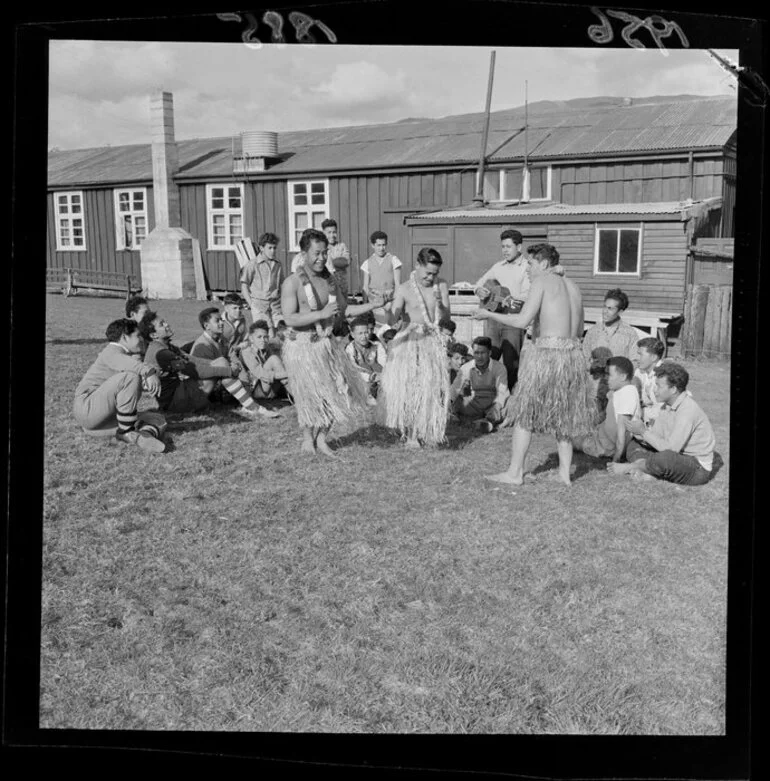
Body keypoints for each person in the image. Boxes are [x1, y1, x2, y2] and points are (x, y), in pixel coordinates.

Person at [474, 243, 593, 486]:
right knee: (565, 417)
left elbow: (521, 321)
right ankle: (564, 475)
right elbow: (579, 329)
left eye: (531, 263)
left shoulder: (542, 281)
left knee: (524, 414)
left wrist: (489, 314)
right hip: (572, 356)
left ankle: (515, 473)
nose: (527, 268)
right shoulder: (573, 287)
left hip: (547, 356)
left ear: (544, 264)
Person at [280, 228, 381, 456]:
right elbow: (289, 318)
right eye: (317, 252)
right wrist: (321, 313)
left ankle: (323, 438)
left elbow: (345, 310)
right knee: (309, 396)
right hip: (303, 347)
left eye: (325, 252)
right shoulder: (292, 283)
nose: (322, 257)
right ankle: (308, 440)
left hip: (327, 344)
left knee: (337, 391)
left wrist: (373, 305)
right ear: (304, 253)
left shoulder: (331, 281)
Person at [379, 247, 452, 448]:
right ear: (417, 265)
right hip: (410, 342)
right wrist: (387, 308)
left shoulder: (442, 285)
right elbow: (393, 319)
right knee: (411, 388)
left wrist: (441, 305)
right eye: (427, 272)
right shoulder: (403, 288)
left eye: (434, 273)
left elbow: (446, 318)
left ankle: (428, 430)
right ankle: (411, 434)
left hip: (432, 341)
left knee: (430, 388)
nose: (431, 277)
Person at [608, 363, 715, 485]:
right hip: (674, 456)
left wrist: (643, 432)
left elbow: (671, 450)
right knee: (634, 445)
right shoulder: (666, 406)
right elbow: (657, 437)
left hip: (696, 468)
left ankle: (631, 467)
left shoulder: (687, 410)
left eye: (658, 386)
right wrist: (638, 432)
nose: (655, 390)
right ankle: (650, 471)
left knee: (665, 459)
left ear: (673, 389)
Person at [73, 318, 166, 452]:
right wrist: (149, 372)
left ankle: (143, 435)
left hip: (101, 416)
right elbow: (135, 371)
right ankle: (126, 431)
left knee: (158, 419)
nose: (141, 339)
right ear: (124, 337)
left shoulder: (125, 355)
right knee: (130, 377)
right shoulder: (111, 351)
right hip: (87, 409)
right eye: (137, 335)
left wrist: (154, 376)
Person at [190, 307, 281, 420]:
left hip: (224, 385)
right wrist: (231, 370)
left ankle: (250, 404)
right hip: (202, 390)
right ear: (206, 325)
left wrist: (244, 381)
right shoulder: (202, 346)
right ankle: (253, 407)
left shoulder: (222, 339)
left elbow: (235, 360)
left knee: (232, 369)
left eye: (221, 320)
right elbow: (204, 373)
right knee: (224, 367)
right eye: (217, 321)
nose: (221, 323)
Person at [474, 229, 531, 390]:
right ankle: (484, 393)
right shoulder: (498, 266)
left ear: (519, 247)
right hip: (493, 319)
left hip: (513, 321)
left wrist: (512, 299)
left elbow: (527, 295)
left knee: (511, 363)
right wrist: (479, 290)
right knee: (487, 357)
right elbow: (479, 283)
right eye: (503, 247)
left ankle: (509, 400)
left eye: (508, 247)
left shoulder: (527, 267)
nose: (505, 250)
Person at [139, 311, 210, 414]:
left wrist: (214, 362)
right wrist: (226, 370)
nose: (167, 325)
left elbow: (191, 359)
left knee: (213, 368)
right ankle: (198, 405)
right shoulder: (162, 353)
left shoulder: (167, 347)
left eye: (165, 322)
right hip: (172, 402)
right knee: (211, 376)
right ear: (154, 335)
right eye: (162, 324)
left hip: (175, 394)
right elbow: (191, 369)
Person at [573, 356, 641, 462]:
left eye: (609, 375)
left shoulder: (627, 393)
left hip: (605, 447)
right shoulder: (619, 391)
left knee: (568, 440)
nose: (605, 378)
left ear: (623, 377)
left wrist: (616, 459)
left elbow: (621, 431)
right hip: (600, 437)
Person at [449, 336, 509, 433]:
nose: (479, 357)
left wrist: (496, 407)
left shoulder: (499, 368)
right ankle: (485, 422)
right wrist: (446, 406)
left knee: (511, 403)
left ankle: (487, 422)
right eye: (476, 353)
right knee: (457, 402)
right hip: (473, 405)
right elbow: (454, 389)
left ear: (489, 353)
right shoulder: (466, 368)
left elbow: (502, 392)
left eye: (483, 353)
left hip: (492, 405)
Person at [240, 232, 284, 338]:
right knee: (266, 334)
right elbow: (244, 285)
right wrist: (251, 304)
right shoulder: (252, 264)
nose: (273, 251)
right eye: (269, 248)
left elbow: (282, 283)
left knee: (281, 332)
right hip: (259, 306)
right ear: (261, 248)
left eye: (274, 248)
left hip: (275, 306)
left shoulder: (278, 264)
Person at [582, 288, 640, 365]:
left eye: (610, 308)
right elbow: (584, 358)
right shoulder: (592, 332)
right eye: (604, 307)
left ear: (620, 312)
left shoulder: (630, 334)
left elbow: (635, 362)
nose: (605, 311)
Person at [361, 230, 403, 332]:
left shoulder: (393, 260)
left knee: (389, 327)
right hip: (374, 300)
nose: (381, 248)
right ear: (372, 245)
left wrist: (396, 301)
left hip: (389, 299)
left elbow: (397, 284)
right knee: (376, 328)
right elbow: (365, 286)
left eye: (383, 245)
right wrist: (366, 305)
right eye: (378, 245)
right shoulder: (367, 263)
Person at [239, 320, 291, 401]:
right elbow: (262, 375)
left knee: (283, 361)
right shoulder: (247, 352)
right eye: (259, 337)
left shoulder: (267, 347)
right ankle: (294, 395)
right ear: (251, 339)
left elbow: (278, 341)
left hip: (270, 387)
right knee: (274, 359)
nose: (263, 340)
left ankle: (294, 393)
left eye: (265, 337)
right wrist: (289, 374)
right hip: (256, 390)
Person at [345, 316, 387, 405]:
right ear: (352, 334)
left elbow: (384, 364)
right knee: (363, 366)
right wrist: (370, 377)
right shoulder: (349, 349)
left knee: (376, 365)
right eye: (360, 333)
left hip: (380, 382)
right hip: (360, 386)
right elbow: (353, 369)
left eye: (366, 332)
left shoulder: (377, 346)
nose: (364, 336)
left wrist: (381, 376)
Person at [633, 337, 666, 424]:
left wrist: (638, 412)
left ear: (653, 357)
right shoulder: (639, 372)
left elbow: (663, 412)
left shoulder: (663, 377)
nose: (636, 358)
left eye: (640, 355)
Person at [220, 292, 249, 360]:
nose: (238, 311)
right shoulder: (220, 321)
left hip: (237, 353)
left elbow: (245, 339)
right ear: (226, 309)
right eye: (234, 308)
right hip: (221, 355)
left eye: (240, 308)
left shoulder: (243, 320)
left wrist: (239, 347)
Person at [588, 346, 613, 421]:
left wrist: (602, 415)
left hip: (604, 416)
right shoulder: (589, 376)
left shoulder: (609, 380)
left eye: (596, 361)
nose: (591, 362)